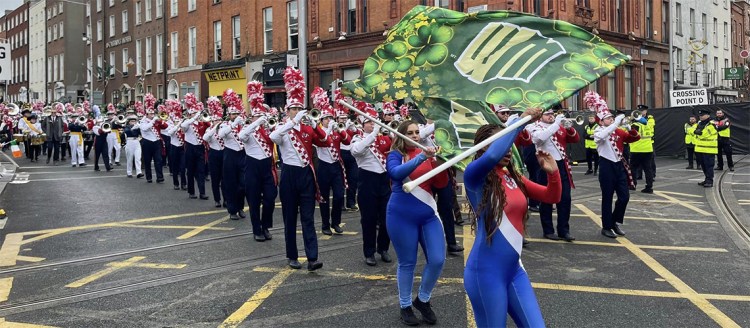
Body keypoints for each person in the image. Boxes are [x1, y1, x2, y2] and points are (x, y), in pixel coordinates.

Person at [464, 109, 561, 328]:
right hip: (486, 273)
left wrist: (553, 173)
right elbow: (490, 156)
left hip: (514, 270)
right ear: (484, 147)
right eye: (502, 143)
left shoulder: (511, 176)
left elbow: (551, 196)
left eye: (510, 145)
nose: (508, 150)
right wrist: (518, 123)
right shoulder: (474, 177)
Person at [269, 67, 329, 271]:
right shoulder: (283, 129)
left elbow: (325, 141)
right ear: (287, 111)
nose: (297, 111)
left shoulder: (307, 128)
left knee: (308, 218)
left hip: (305, 175)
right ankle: (292, 255)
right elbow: (273, 138)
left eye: (298, 108)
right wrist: (291, 122)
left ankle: (313, 258)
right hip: (289, 175)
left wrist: (316, 124)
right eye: (293, 108)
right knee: (289, 218)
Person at [386, 119, 444, 325]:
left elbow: (441, 183)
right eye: (409, 133)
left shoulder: (428, 154)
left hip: (428, 213)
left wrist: (439, 163)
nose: (415, 136)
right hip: (401, 215)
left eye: (417, 132)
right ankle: (405, 306)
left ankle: (423, 300)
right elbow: (395, 173)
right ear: (401, 135)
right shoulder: (396, 155)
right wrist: (422, 157)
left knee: (437, 259)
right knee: (407, 262)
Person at [586, 91, 640, 238]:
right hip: (606, 166)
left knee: (624, 197)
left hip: (619, 165)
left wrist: (630, 128)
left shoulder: (617, 131)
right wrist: (616, 123)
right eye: (608, 118)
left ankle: (615, 221)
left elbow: (634, 138)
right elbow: (603, 136)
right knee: (607, 197)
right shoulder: (598, 131)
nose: (611, 120)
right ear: (601, 121)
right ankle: (606, 227)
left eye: (611, 118)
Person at [527, 107, 579, 241]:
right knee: (546, 199)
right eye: (547, 114)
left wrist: (569, 128)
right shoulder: (534, 126)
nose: (551, 116)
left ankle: (564, 230)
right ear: (540, 116)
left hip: (562, 165)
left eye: (552, 114)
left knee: (565, 199)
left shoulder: (558, 126)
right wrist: (557, 124)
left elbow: (575, 139)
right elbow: (539, 139)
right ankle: (548, 230)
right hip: (545, 165)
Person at [418, 118, 463, 253]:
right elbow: (421, 136)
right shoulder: (421, 128)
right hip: (428, 176)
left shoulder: (445, 132)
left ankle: (451, 242)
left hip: (443, 175)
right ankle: (427, 243)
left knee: (447, 210)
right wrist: (438, 122)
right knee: (427, 210)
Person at [239, 83, 277, 241]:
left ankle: (266, 226)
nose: (261, 119)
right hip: (252, 166)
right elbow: (241, 136)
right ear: (252, 117)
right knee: (254, 200)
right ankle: (257, 229)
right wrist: (255, 123)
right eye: (257, 116)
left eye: (262, 116)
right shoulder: (248, 129)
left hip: (266, 166)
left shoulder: (269, 129)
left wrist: (267, 123)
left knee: (270, 198)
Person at [312, 87, 350, 236]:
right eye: (326, 118)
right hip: (323, 167)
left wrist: (341, 130)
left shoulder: (336, 131)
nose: (329, 121)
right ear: (321, 120)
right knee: (324, 198)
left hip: (335, 166)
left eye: (330, 118)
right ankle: (325, 224)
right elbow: (322, 139)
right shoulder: (319, 131)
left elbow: (347, 142)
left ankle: (336, 222)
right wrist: (327, 129)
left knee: (339, 195)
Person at [217, 93, 248, 221]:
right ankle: (232, 210)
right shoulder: (225, 125)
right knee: (230, 183)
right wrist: (233, 124)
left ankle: (240, 206)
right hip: (229, 155)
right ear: (229, 115)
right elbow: (221, 134)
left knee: (243, 184)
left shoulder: (244, 125)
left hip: (242, 155)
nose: (235, 116)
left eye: (237, 113)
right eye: (233, 114)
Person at [181, 93, 210, 199]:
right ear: (190, 114)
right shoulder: (187, 123)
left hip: (200, 148)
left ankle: (202, 192)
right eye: (193, 113)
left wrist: (203, 117)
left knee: (201, 171)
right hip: (190, 148)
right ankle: (191, 192)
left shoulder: (202, 123)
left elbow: (210, 126)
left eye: (196, 113)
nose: (195, 115)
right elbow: (183, 126)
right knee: (190, 171)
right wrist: (194, 117)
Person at [203, 98, 225, 207]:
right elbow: (205, 138)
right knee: (215, 178)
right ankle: (217, 199)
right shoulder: (209, 130)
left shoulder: (224, 129)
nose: (218, 122)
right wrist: (214, 127)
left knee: (225, 178)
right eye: (216, 120)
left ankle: (226, 199)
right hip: (214, 154)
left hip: (224, 154)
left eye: (219, 120)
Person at [139, 99, 167, 184]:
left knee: (158, 160)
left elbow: (165, 126)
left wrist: (161, 120)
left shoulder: (156, 120)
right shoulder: (143, 121)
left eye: (153, 113)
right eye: (150, 114)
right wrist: (153, 120)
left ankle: (160, 177)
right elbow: (145, 128)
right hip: (147, 142)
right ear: (146, 114)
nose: (152, 115)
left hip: (156, 142)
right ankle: (149, 177)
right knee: (147, 161)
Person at [629, 107, 655, 193]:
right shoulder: (647, 125)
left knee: (633, 168)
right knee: (648, 169)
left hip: (637, 149)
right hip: (648, 149)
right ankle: (649, 187)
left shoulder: (635, 125)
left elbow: (631, 135)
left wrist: (629, 122)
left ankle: (633, 185)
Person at [165, 100, 187, 190]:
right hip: (174, 147)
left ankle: (184, 183)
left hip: (182, 147)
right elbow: (170, 132)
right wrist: (177, 125)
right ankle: (176, 183)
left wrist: (182, 124)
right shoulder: (170, 123)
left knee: (183, 166)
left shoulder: (183, 122)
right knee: (175, 166)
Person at [693, 109, 718, 188]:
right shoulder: (699, 123)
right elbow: (691, 130)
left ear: (708, 115)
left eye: (702, 115)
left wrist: (696, 131)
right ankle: (706, 179)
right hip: (699, 149)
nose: (701, 117)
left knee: (709, 166)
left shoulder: (712, 124)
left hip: (709, 149)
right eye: (700, 116)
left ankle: (710, 181)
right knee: (703, 166)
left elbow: (703, 134)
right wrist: (696, 131)